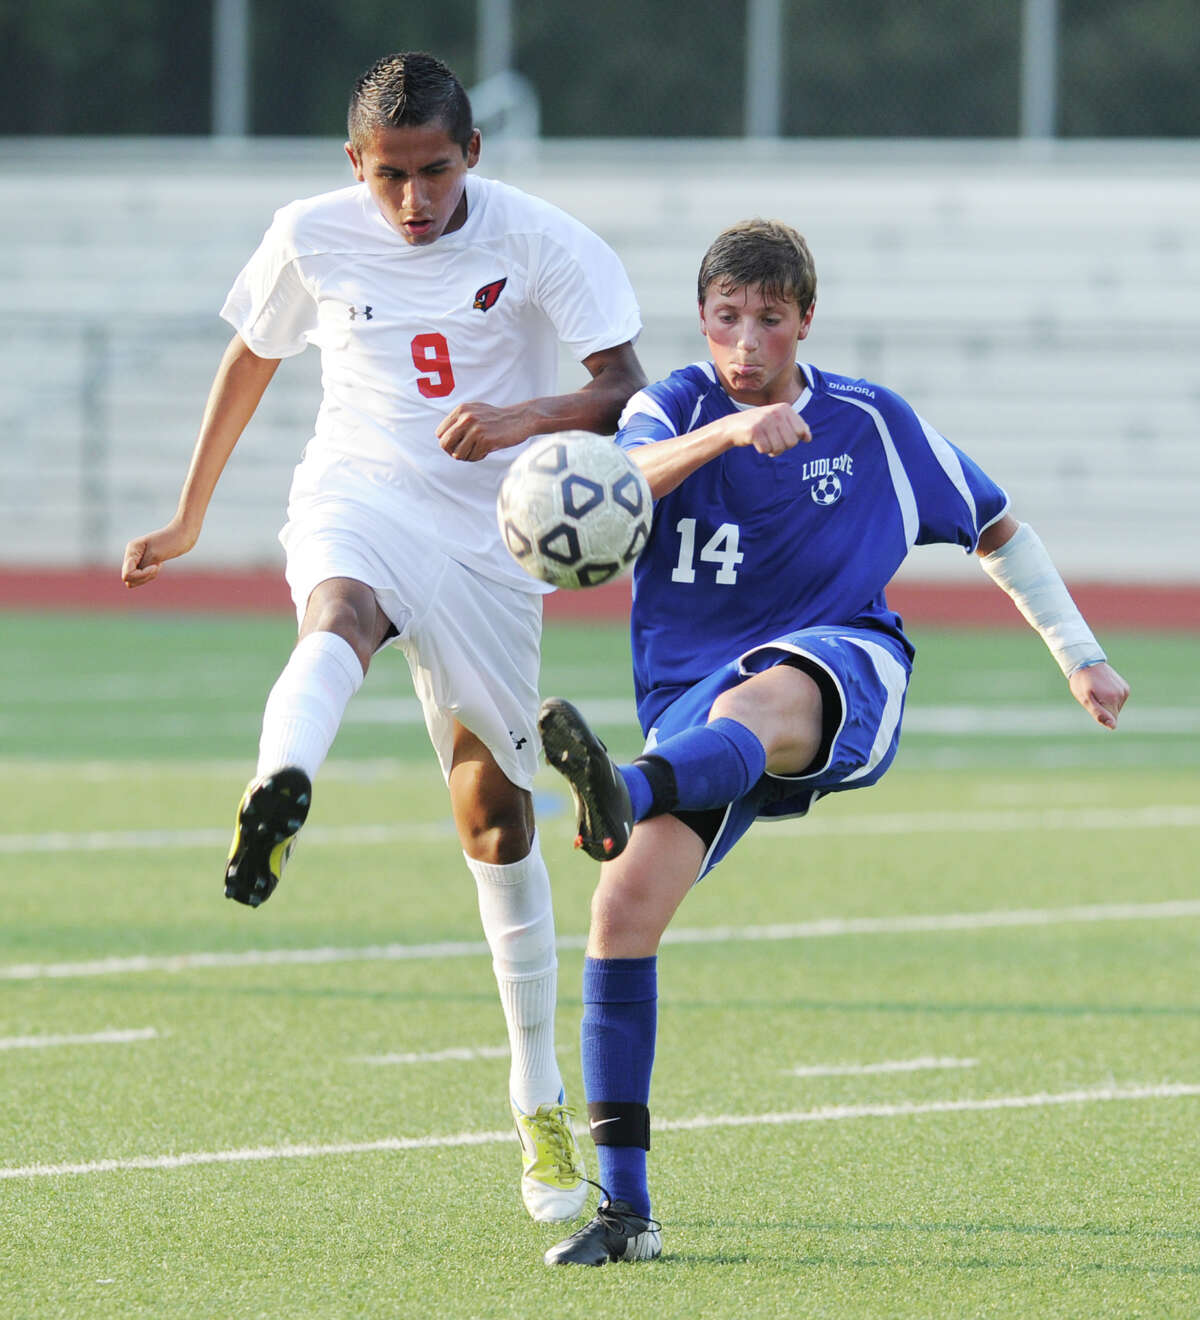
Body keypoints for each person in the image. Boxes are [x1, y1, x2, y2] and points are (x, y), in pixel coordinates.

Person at [536, 218, 1130, 1265]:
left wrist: (1078, 654)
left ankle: (623, 786)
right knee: (622, 907)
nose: (749, 340)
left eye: (771, 319)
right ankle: (626, 1213)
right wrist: (726, 432)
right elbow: (626, 483)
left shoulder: (873, 422)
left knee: (761, 703)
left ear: (806, 320)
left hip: (843, 668)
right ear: (706, 320)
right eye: (729, 318)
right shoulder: (669, 405)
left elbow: (998, 526)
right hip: (692, 703)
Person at [120, 50, 647, 1225]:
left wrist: (527, 414)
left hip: (495, 541)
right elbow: (253, 354)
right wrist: (191, 513)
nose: (414, 202)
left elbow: (627, 386)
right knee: (338, 614)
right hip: (358, 490)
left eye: (437, 173)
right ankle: (281, 787)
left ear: (475, 157)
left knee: (493, 814)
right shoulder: (310, 232)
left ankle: (536, 1100)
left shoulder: (541, 240)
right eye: (391, 178)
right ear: (352, 165)